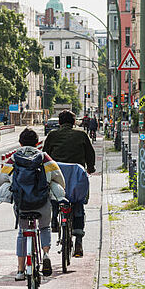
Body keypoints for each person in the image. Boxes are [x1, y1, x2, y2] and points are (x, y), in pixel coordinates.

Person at [0, 128, 65, 280]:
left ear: (20, 143)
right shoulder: (44, 157)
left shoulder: (14, 158)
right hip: (41, 202)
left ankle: (21, 271)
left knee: (22, 232)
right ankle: (46, 253)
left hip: (22, 204)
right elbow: (58, 177)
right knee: (45, 227)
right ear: (37, 143)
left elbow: (3, 178)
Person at [42, 110, 96, 257]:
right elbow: (90, 154)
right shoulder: (81, 135)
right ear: (74, 123)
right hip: (76, 177)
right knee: (78, 204)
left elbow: (45, 155)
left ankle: (54, 219)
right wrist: (90, 168)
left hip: (57, 176)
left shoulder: (52, 135)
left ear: (59, 123)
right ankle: (78, 241)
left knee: (54, 195)